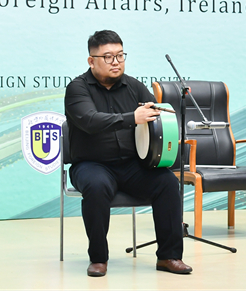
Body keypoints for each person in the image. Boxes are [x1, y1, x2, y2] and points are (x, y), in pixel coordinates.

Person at [64, 30, 192, 276]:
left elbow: (157, 115)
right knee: (96, 186)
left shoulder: (134, 86)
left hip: (132, 165)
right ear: (91, 61)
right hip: (91, 164)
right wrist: (132, 117)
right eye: (108, 57)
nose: (116, 62)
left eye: (120, 55)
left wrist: (157, 112)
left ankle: (169, 256)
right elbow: (90, 120)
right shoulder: (77, 89)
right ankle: (98, 258)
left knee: (166, 183)